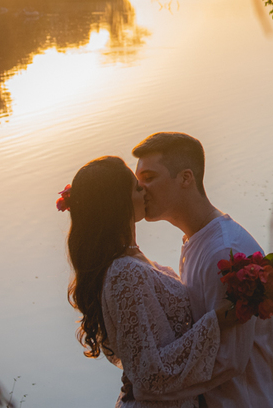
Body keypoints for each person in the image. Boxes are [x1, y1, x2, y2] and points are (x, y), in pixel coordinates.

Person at [61, 155, 244, 407]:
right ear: (119, 202)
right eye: (137, 187)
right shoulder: (124, 272)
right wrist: (216, 321)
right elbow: (149, 373)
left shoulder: (128, 260)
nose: (145, 190)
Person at [133, 132, 273, 408]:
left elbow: (227, 360)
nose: (141, 189)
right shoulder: (197, 240)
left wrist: (152, 384)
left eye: (149, 178)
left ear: (186, 178)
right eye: (138, 181)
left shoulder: (224, 252)